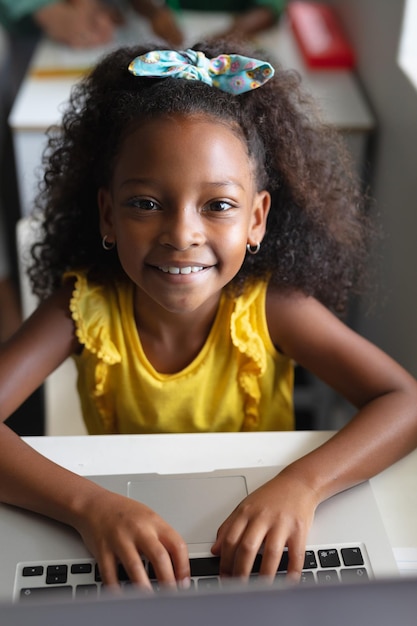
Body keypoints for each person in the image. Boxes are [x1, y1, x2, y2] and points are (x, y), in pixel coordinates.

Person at [1, 39, 417, 592]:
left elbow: (404, 401)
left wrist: (303, 486)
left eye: (218, 205)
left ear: (256, 219)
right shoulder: (81, 307)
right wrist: (88, 507)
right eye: (146, 204)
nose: (181, 235)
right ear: (107, 213)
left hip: (255, 531)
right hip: (121, 528)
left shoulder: (273, 307)